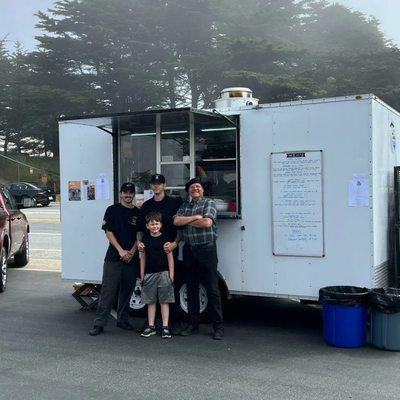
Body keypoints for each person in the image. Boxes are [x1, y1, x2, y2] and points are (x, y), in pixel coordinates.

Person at [173, 177, 224, 340]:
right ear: (188, 191)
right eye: (192, 187)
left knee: (212, 288)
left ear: (202, 190)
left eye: (198, 186)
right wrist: (195, 217)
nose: (195, 189)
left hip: (207, 250)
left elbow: (207, 223)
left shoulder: (209, 203)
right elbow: (175, 221)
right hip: (189, 251)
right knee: (191, 288)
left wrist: (187, 221)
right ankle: (192, 324)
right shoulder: (184, 205)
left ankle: (218, 327)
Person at [89, 182, 140, 336]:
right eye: (125, 192)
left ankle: (122, 320)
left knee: (127, 291)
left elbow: (140, 234)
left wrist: (131, 251)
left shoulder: (138, 213)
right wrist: (120, 251)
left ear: (133, 194)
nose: (128, 195)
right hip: (113, 257)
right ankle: (99, 323)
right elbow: (108, 232)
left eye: (131, 192)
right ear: (120, 193)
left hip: (131, 258)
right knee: (108, 291)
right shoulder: (112, 210)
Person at [136, 174, 182, 330]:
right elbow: (140, 230)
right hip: (150, 253)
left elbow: (179, 228)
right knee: (151, 293)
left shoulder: (174, 203)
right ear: (151, 186)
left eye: (159, 183)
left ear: (165, 185)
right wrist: (139, 243)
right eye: (154, 184)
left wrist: (175, 243)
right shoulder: (146, 206)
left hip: (168, 251)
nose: (156, 186)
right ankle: (151, 323)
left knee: (169, 287)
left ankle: (170, 323)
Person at [140, 212, 175, 339]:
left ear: (160, 225)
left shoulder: (165, 239)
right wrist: (142, 274)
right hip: (149, 274)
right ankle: (151, 326)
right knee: (151, 301)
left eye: (157, 223)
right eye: (152, 224)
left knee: (164, 301)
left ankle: (165, 327)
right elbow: (143, 257)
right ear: (147, 226)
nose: (154, 226)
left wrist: (171, 274)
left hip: (164, 274)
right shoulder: (145, 240)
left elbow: (170, 257)